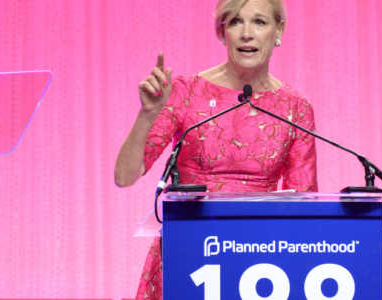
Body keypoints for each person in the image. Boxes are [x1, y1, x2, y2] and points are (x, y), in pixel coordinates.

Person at [114, 0, 317, 298]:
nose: (247, 33)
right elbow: (124, 175)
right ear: (222, 33)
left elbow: (305, 205)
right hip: (189, 252)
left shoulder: (295, 108)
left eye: (259, 22)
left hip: (260, 262)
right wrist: (146, 115)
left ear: (279, 30)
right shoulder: (185, 91)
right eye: (235, 22)